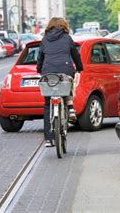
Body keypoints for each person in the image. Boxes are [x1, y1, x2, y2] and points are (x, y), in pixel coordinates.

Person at [36, 17, 83, 147]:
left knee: (47, 105)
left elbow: (40, 56)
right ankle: (70, 107)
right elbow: (75, 54)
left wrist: (39, 69)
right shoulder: (67, 38)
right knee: (67, 85)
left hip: (48, 72)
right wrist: (79, 68)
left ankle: (48, 139)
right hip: (65, 70)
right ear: (64, 26)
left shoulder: (45, 39)